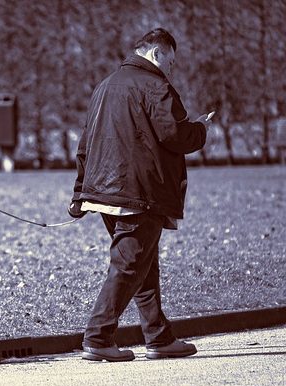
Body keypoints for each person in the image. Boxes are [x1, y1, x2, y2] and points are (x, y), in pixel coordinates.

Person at [69, 28, 213, 362]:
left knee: (142, 263)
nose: (171, 69)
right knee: (130, 263)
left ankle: (158, 337)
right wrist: (202, 129)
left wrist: (80, 192)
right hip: (138, 191)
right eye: (171, 61)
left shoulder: (104, 86)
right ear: (156, 53)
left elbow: (85, 142)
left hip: (103, 190)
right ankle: (98, 336)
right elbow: (175, 134)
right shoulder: (155, 85)